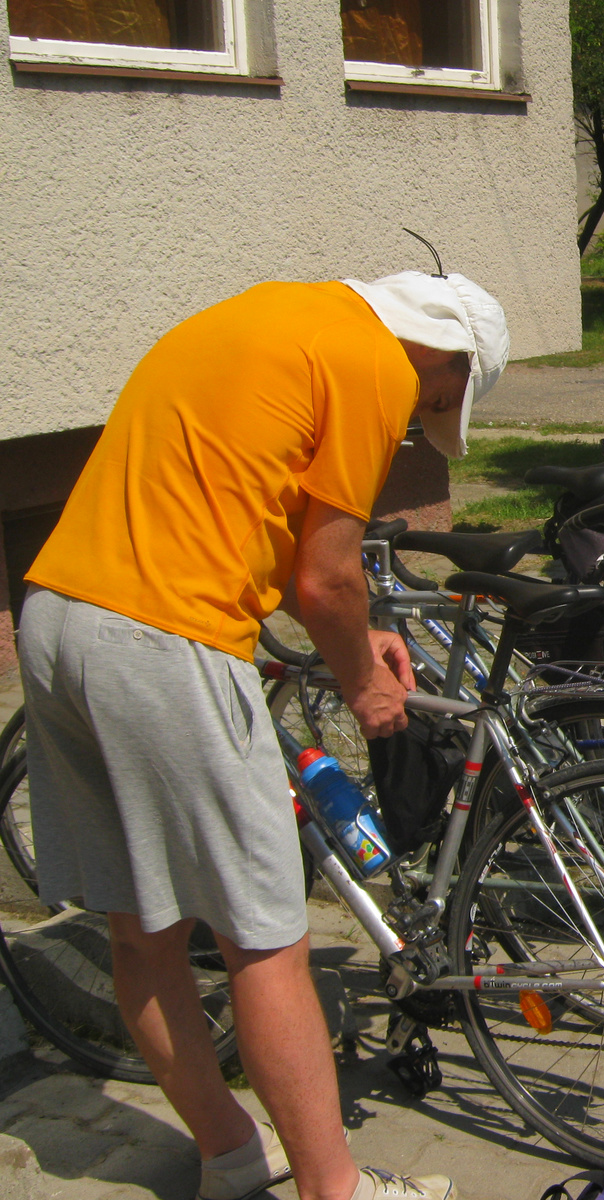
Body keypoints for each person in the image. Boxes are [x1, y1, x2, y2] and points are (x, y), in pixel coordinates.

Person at [17, 269, 511, 1200]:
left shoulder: (282, 313)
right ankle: (339, 1191)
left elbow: (270, 533)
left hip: (57, 615)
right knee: (265, 938)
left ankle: (231, 1156)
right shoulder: (373, 360)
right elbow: (328, 579)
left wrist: (356, 634)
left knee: (142, 928)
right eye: (441, 399)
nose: (423, 418)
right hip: (165, 639)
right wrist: (367, 687)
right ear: (440, 350)